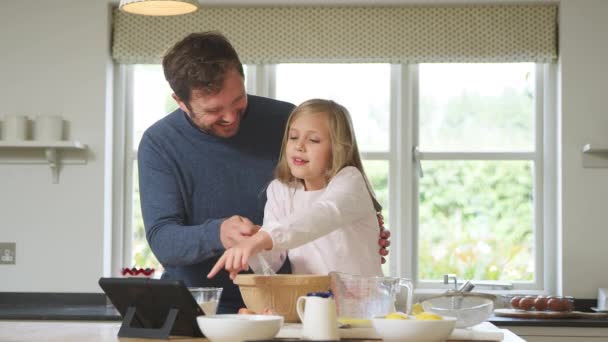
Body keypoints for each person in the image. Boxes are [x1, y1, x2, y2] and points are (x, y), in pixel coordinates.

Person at [138, 31, 390, 314]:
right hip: (197, 305)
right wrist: (220, 234)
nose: (231, 117)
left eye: (238, 100)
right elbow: (163, 239)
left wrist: (357, 233)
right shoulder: (159, 143)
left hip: (283, 305)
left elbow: (325, 206)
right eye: (214, 109)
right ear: (180, 101)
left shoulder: (286, 121)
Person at [208, 99, 384, 280]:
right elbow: (272, 260)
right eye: (293, 137)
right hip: (311, 304)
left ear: (338, 149)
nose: (299, 146)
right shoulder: (280, 190)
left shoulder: (350, 180)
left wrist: (261, 239)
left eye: (313, 140)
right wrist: (251, 243)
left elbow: (321, 215)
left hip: (361, 303)